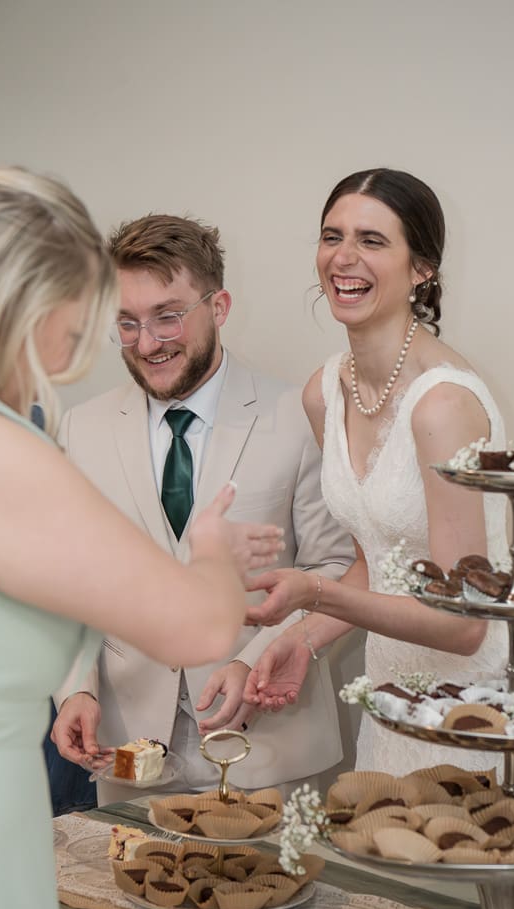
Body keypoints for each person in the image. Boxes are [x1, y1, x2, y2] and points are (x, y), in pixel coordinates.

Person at [0, 164, 283, 909]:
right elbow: (197, 621)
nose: (101, 340)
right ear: (35, 301)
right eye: (95, 311)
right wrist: (209, 548)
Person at [50, 213, 357, 803]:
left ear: (218, 307)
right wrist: (76, 690)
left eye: (168, 316)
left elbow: (336, 570)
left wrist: (261, 659)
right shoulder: (80, 428)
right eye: (127, 323)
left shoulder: (300, 415)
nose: (147, 342)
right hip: (127, 755)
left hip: (272, 751)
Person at [244, 167, 514, 777]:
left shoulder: (444, 406)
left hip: (477, 711)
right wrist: (297, 643)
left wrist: (313, 592)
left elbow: (464, 627)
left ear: (422, 268)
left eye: (372, 241)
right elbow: (373, 565)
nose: (343, 259)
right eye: (332, 236)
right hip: (393, 697)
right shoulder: (324, 393)